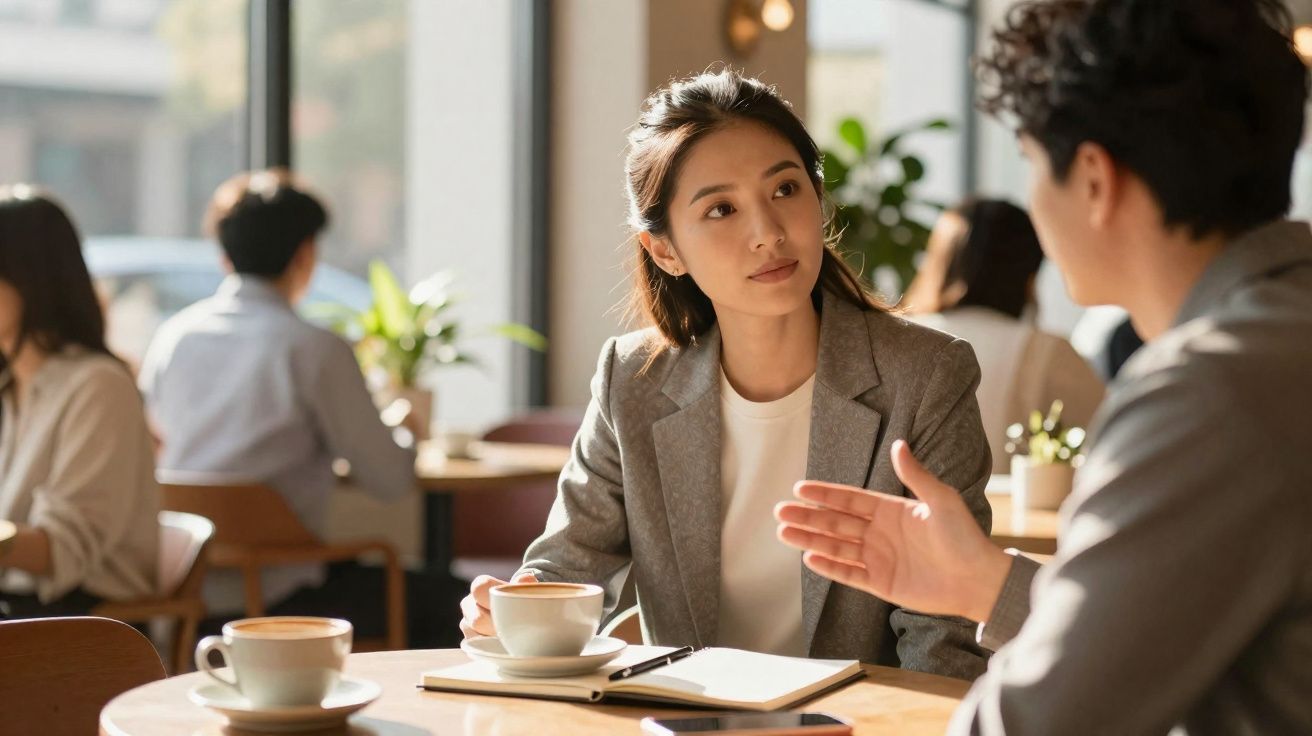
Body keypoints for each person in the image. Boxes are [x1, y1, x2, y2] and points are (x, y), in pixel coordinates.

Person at [775, 0, 1312, 732]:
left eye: (1030, 162)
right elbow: (1174, 625)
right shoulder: (1280, 336)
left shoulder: (1208, 389)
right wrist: (988, 583)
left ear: (1093, 178)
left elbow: (1042, 722)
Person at [459, 69, 994, 678]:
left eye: (786, 190)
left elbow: (945, 639)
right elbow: (566, 569)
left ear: (819, 200)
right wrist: (511, 608)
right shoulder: (631, 378)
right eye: (721, 209)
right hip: (687, 720)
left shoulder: (925, 376)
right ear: (665, 249)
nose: (767, 232)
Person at [139, 169, 439, 642]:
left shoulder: (174, 337)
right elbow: (390, 480)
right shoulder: (314, 349)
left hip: (184, 599)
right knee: (452, 602)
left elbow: (153, 443)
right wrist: (405, 428)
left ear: (223, 255)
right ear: (306, 254)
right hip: (284, 601)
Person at [0, 186, 158, 618]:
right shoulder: (12, 384)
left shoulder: (98, 386)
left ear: (30, 279)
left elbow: (63, 550)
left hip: (80, 630)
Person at [904, 198, 1104, 467]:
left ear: (939, 262)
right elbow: (1112, 442)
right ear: (1030, 275)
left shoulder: (897, 338)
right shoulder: (1050, 353)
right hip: (1013, 509)